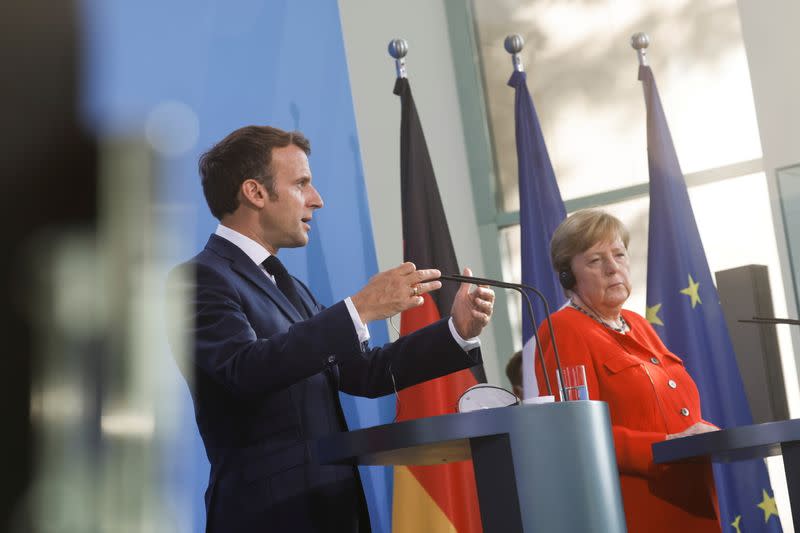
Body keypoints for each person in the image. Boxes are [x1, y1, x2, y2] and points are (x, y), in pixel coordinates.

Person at [166, 125, 495, 533]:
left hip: (334, 508)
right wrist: (359, 308)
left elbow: (364, 373)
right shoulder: (198, 279)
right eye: (302, 183)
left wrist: (456, 331)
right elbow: (243, 370)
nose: (317, 199)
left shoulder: (288, 286)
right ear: (255, 193)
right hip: (268, 517)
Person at [534, 209, 719, 533]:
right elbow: (577, 434)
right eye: (595, 260)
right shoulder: (563, 330)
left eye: (619, 254)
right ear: (568, 275)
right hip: (638, 509)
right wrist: (668, 442)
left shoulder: (637, 324)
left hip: (693, 501)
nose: (613, 268)